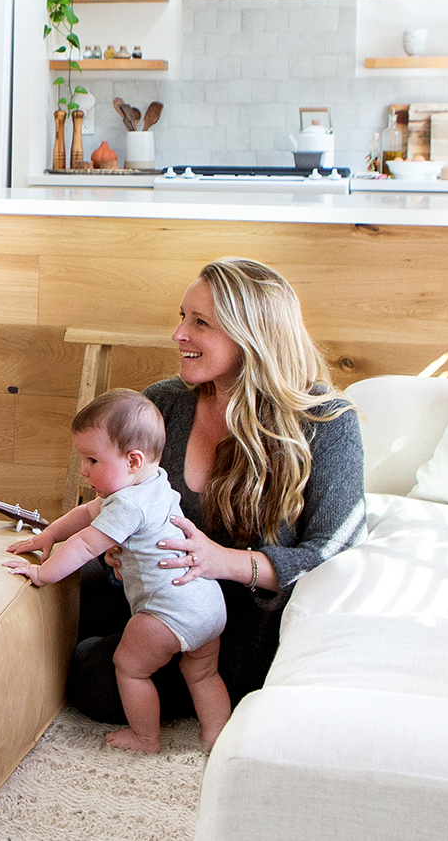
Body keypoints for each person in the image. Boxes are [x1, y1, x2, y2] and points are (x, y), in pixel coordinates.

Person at [68, 258, 364, 726]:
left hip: (235, 619)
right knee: (56, 594)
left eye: (199, 323)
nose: (179, 334)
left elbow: (335, 551)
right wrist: (116, 547)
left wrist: (219, 560)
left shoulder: (326, 422)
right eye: (182, 316)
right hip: (151, 591)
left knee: (94, 680)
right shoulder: (165, 402)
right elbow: (124, 499)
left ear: (252, 336)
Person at [6, 389, 230, 751]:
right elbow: (85, 514)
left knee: (129, 667)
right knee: (202, 671)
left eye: (92, 460)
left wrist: (43, 574)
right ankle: (217, 734)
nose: (83, 469)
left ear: (133, 460)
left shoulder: (127, 504)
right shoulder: (154, 484)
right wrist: (48, 535)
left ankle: (145, 736)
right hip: (208, 604)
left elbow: (85, 544)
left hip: (168, 612)